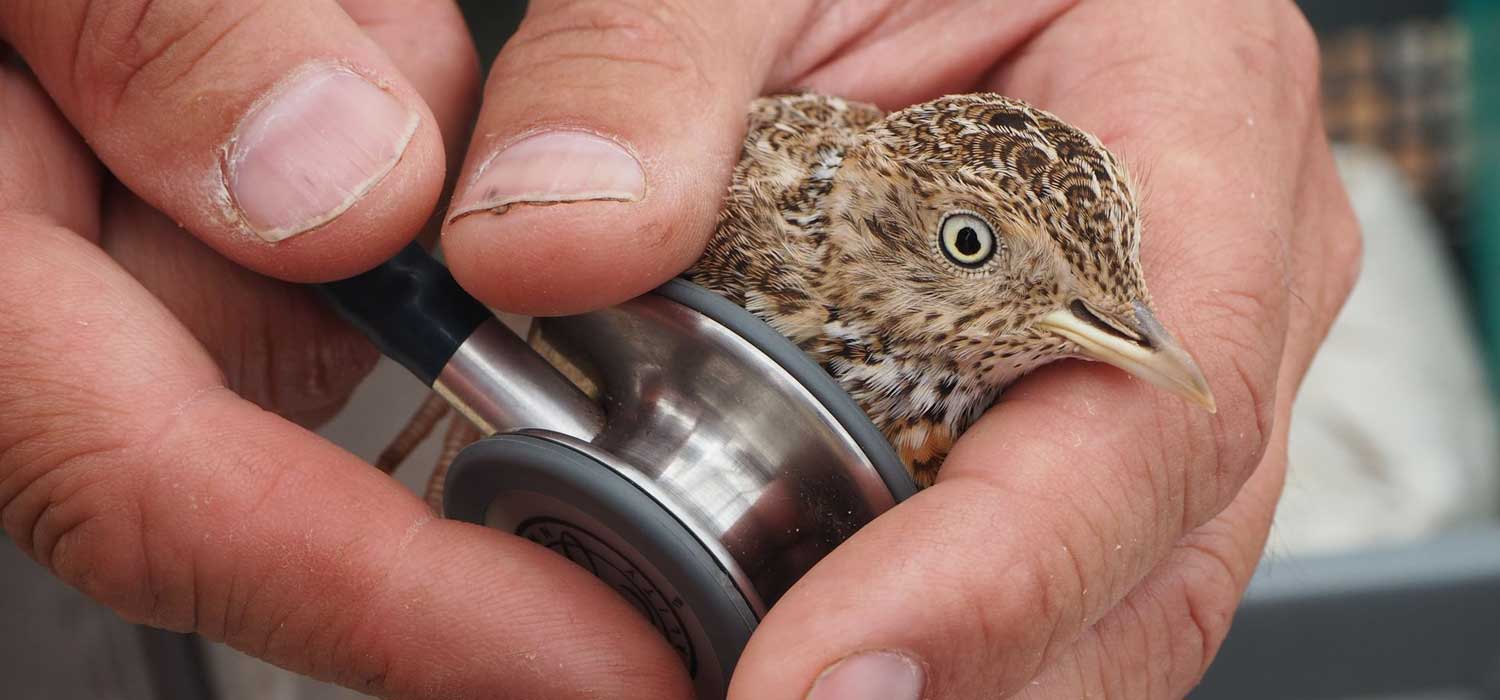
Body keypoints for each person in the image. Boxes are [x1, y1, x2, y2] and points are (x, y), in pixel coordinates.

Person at [0, 1, 1359, 698]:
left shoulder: (993, 355)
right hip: (361, 277)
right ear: (889, 228)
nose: (1114, 328)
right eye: (969, 250)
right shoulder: (758, 241)